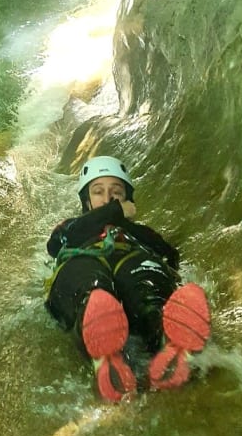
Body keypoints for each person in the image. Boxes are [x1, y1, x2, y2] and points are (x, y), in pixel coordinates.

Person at [44, 155, 210, 402]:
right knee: (92, 291)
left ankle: (165, 334)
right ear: (86, 200)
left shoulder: (139, 233)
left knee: (146, 288)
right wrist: (114, 211)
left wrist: (129, 227)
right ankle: (103, 350)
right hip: (85, 259)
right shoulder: (73, 227)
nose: (108, 197)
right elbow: (55, 245)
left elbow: (169, 255)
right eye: (98, 191)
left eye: (116, 191)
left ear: (127, 196)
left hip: (130, 258)